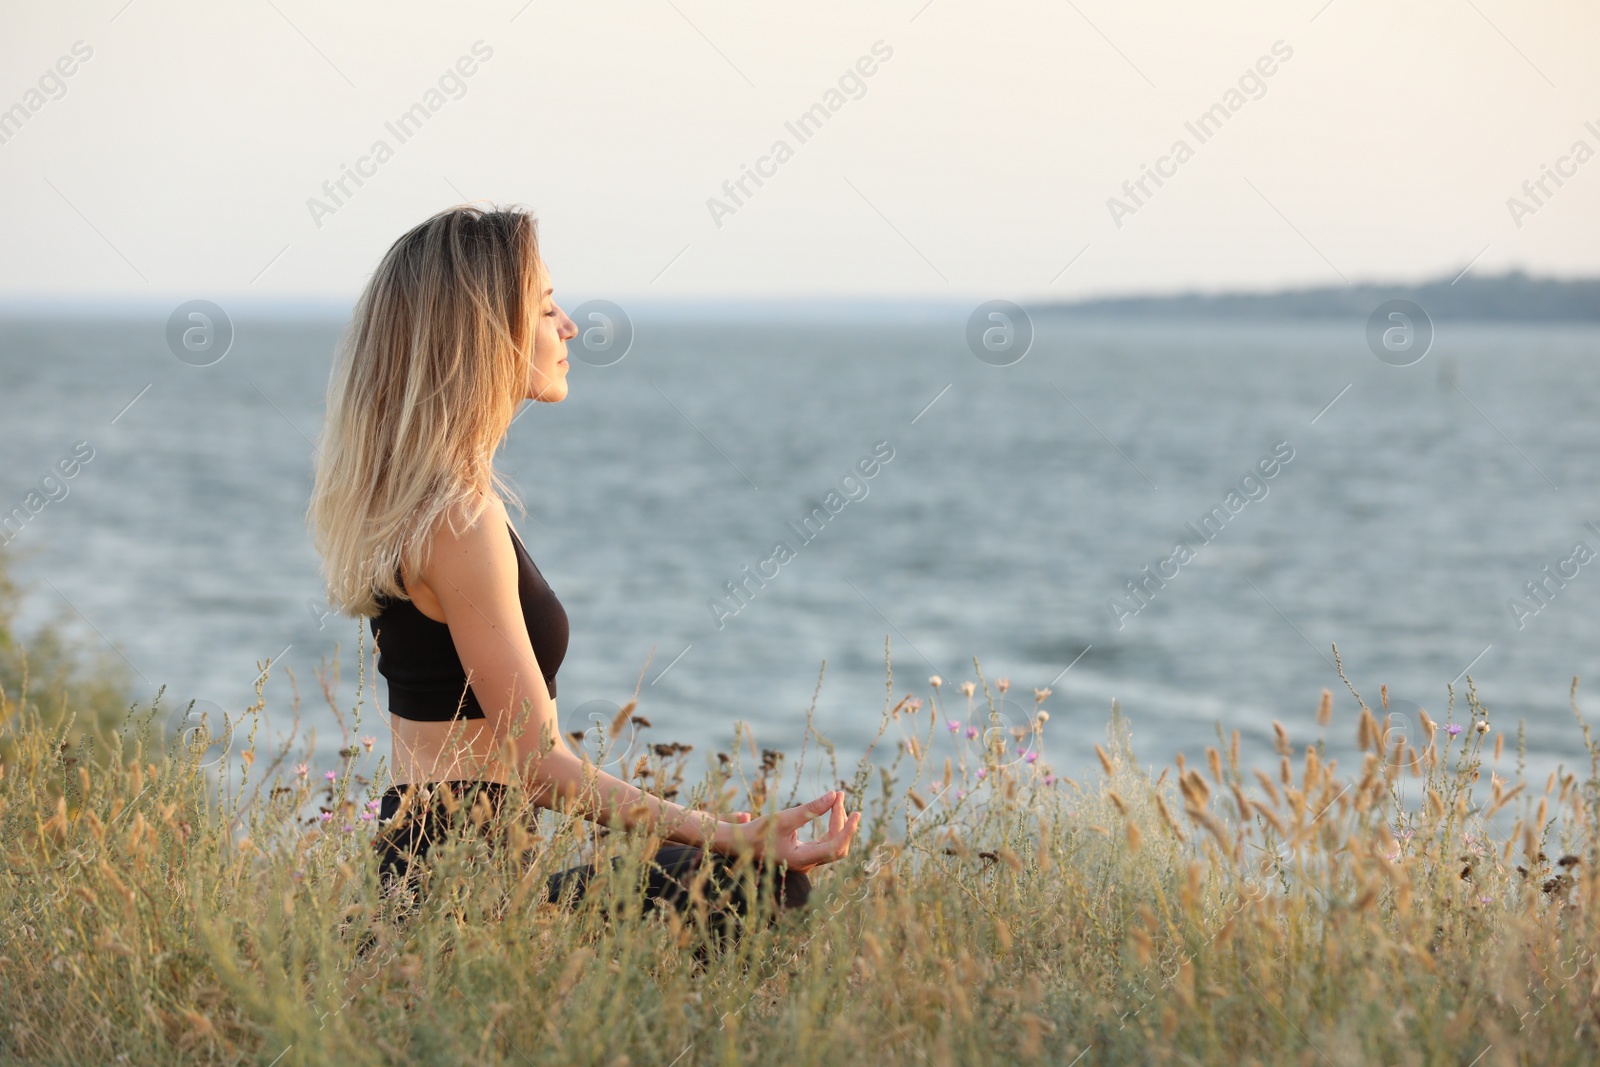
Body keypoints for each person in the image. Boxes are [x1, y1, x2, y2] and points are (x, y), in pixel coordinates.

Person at [307, 204, 860, 935]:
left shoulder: (425, 504)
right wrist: (727, 831)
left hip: (449, 867)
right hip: (456, 892)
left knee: (718, 877)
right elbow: (537, 763)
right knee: (752, 882)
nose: (569, 326)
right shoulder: (459, 520)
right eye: (545, 307)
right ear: (485, 332)